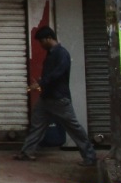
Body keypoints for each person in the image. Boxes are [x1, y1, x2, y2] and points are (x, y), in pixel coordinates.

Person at [14, 26, 98, 166]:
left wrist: (41, 82)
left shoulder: (61, 54)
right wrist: (42, 82)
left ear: (48, 38)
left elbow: (57, 74)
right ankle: (27, 152)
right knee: (37, 125)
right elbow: (50, 75)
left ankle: (90, 157)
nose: (40, 45)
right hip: (47, 98)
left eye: (41, 41)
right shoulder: (51, 53)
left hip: (59, 99)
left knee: (74, 128)